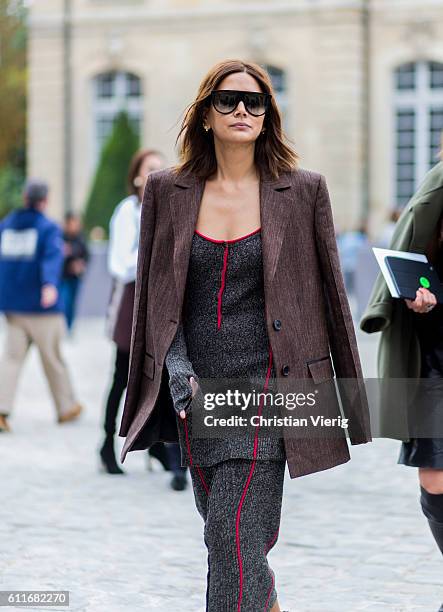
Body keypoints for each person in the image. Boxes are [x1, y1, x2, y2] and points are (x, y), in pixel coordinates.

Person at [118, 59, 371, 611]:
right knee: (229, 539)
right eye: (228, 100)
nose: (241, 110)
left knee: (231, 539)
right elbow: (159, 302)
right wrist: (179, 380)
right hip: (200, 394)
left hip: (270, 391)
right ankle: (267, 599)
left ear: (267, 116)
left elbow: (331, 295)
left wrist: (348, 400)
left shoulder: (302, 191)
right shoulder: (168, 190)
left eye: (254, 102)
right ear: (206, 113)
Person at [360, 160, 443, 612]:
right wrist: (413, 298)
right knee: (435, 480)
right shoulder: (437, 189)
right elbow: (409, 254)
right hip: (434, 356)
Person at [101, 148, 186, 489]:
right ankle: (106, 444)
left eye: (161, 168)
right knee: (122, 376)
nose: (157, 173)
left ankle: (160, 447)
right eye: (150, 168)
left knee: (166, 376)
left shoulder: (170, 208)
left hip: (163, 302)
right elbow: (119, 264)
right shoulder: (128, 212)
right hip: (134, 301)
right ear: (137, 176)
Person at [0, 179, 84, 432]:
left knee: (12, 359)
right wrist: (49, 285)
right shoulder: (47, 228)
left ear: (25, 197)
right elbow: (51, 257)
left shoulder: (7, 226)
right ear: (45, 200)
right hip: (42, 308)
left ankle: (2, 409)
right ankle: (66, 407)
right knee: (53, 359)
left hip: (13, 307)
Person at [60, 212, 90, 333]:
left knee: (72, 302)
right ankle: (64, 326)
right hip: (63, 276)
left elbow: (86, 255)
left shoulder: (80, 237)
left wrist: (80, 264)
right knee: (64, 300)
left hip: (76, 276)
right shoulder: (61, 237)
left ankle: (69, 327)